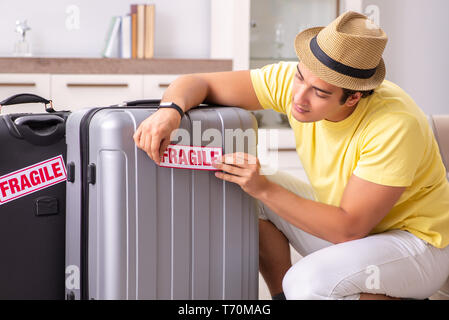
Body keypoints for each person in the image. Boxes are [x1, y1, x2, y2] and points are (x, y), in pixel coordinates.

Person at [133, 11, 449, 300]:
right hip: (351, 227)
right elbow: (197, 82)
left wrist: (264, 188)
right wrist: (170, 112)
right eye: (300, 78)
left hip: (417, 245)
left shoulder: (394, 125)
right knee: (242, 193)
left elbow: (349, 229)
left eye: (320, 93)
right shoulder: (296, 82)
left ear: (353, 97)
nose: (298, 98)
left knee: (306, 281)